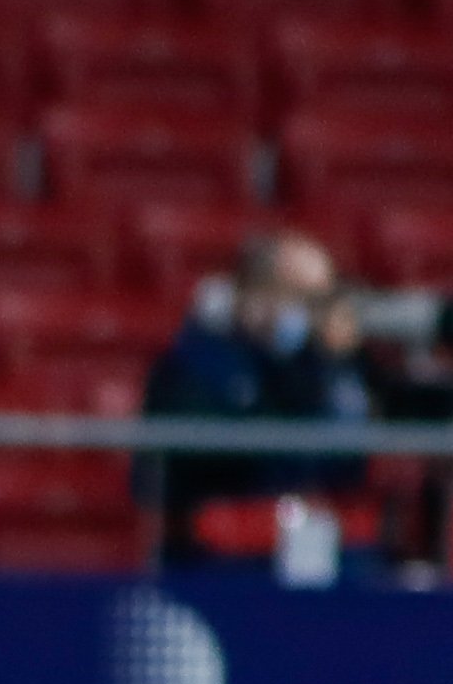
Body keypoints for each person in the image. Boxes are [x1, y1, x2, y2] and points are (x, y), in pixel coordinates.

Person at [139, 230, 377, 566]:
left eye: (322, 301)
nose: (314, 314)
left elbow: (348, 460)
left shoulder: (325, 364)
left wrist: (335, 360)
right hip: (215, 552)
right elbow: (210, 456)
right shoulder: (196, 358)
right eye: (305, 299)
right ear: (256, 294)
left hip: (313, 540)